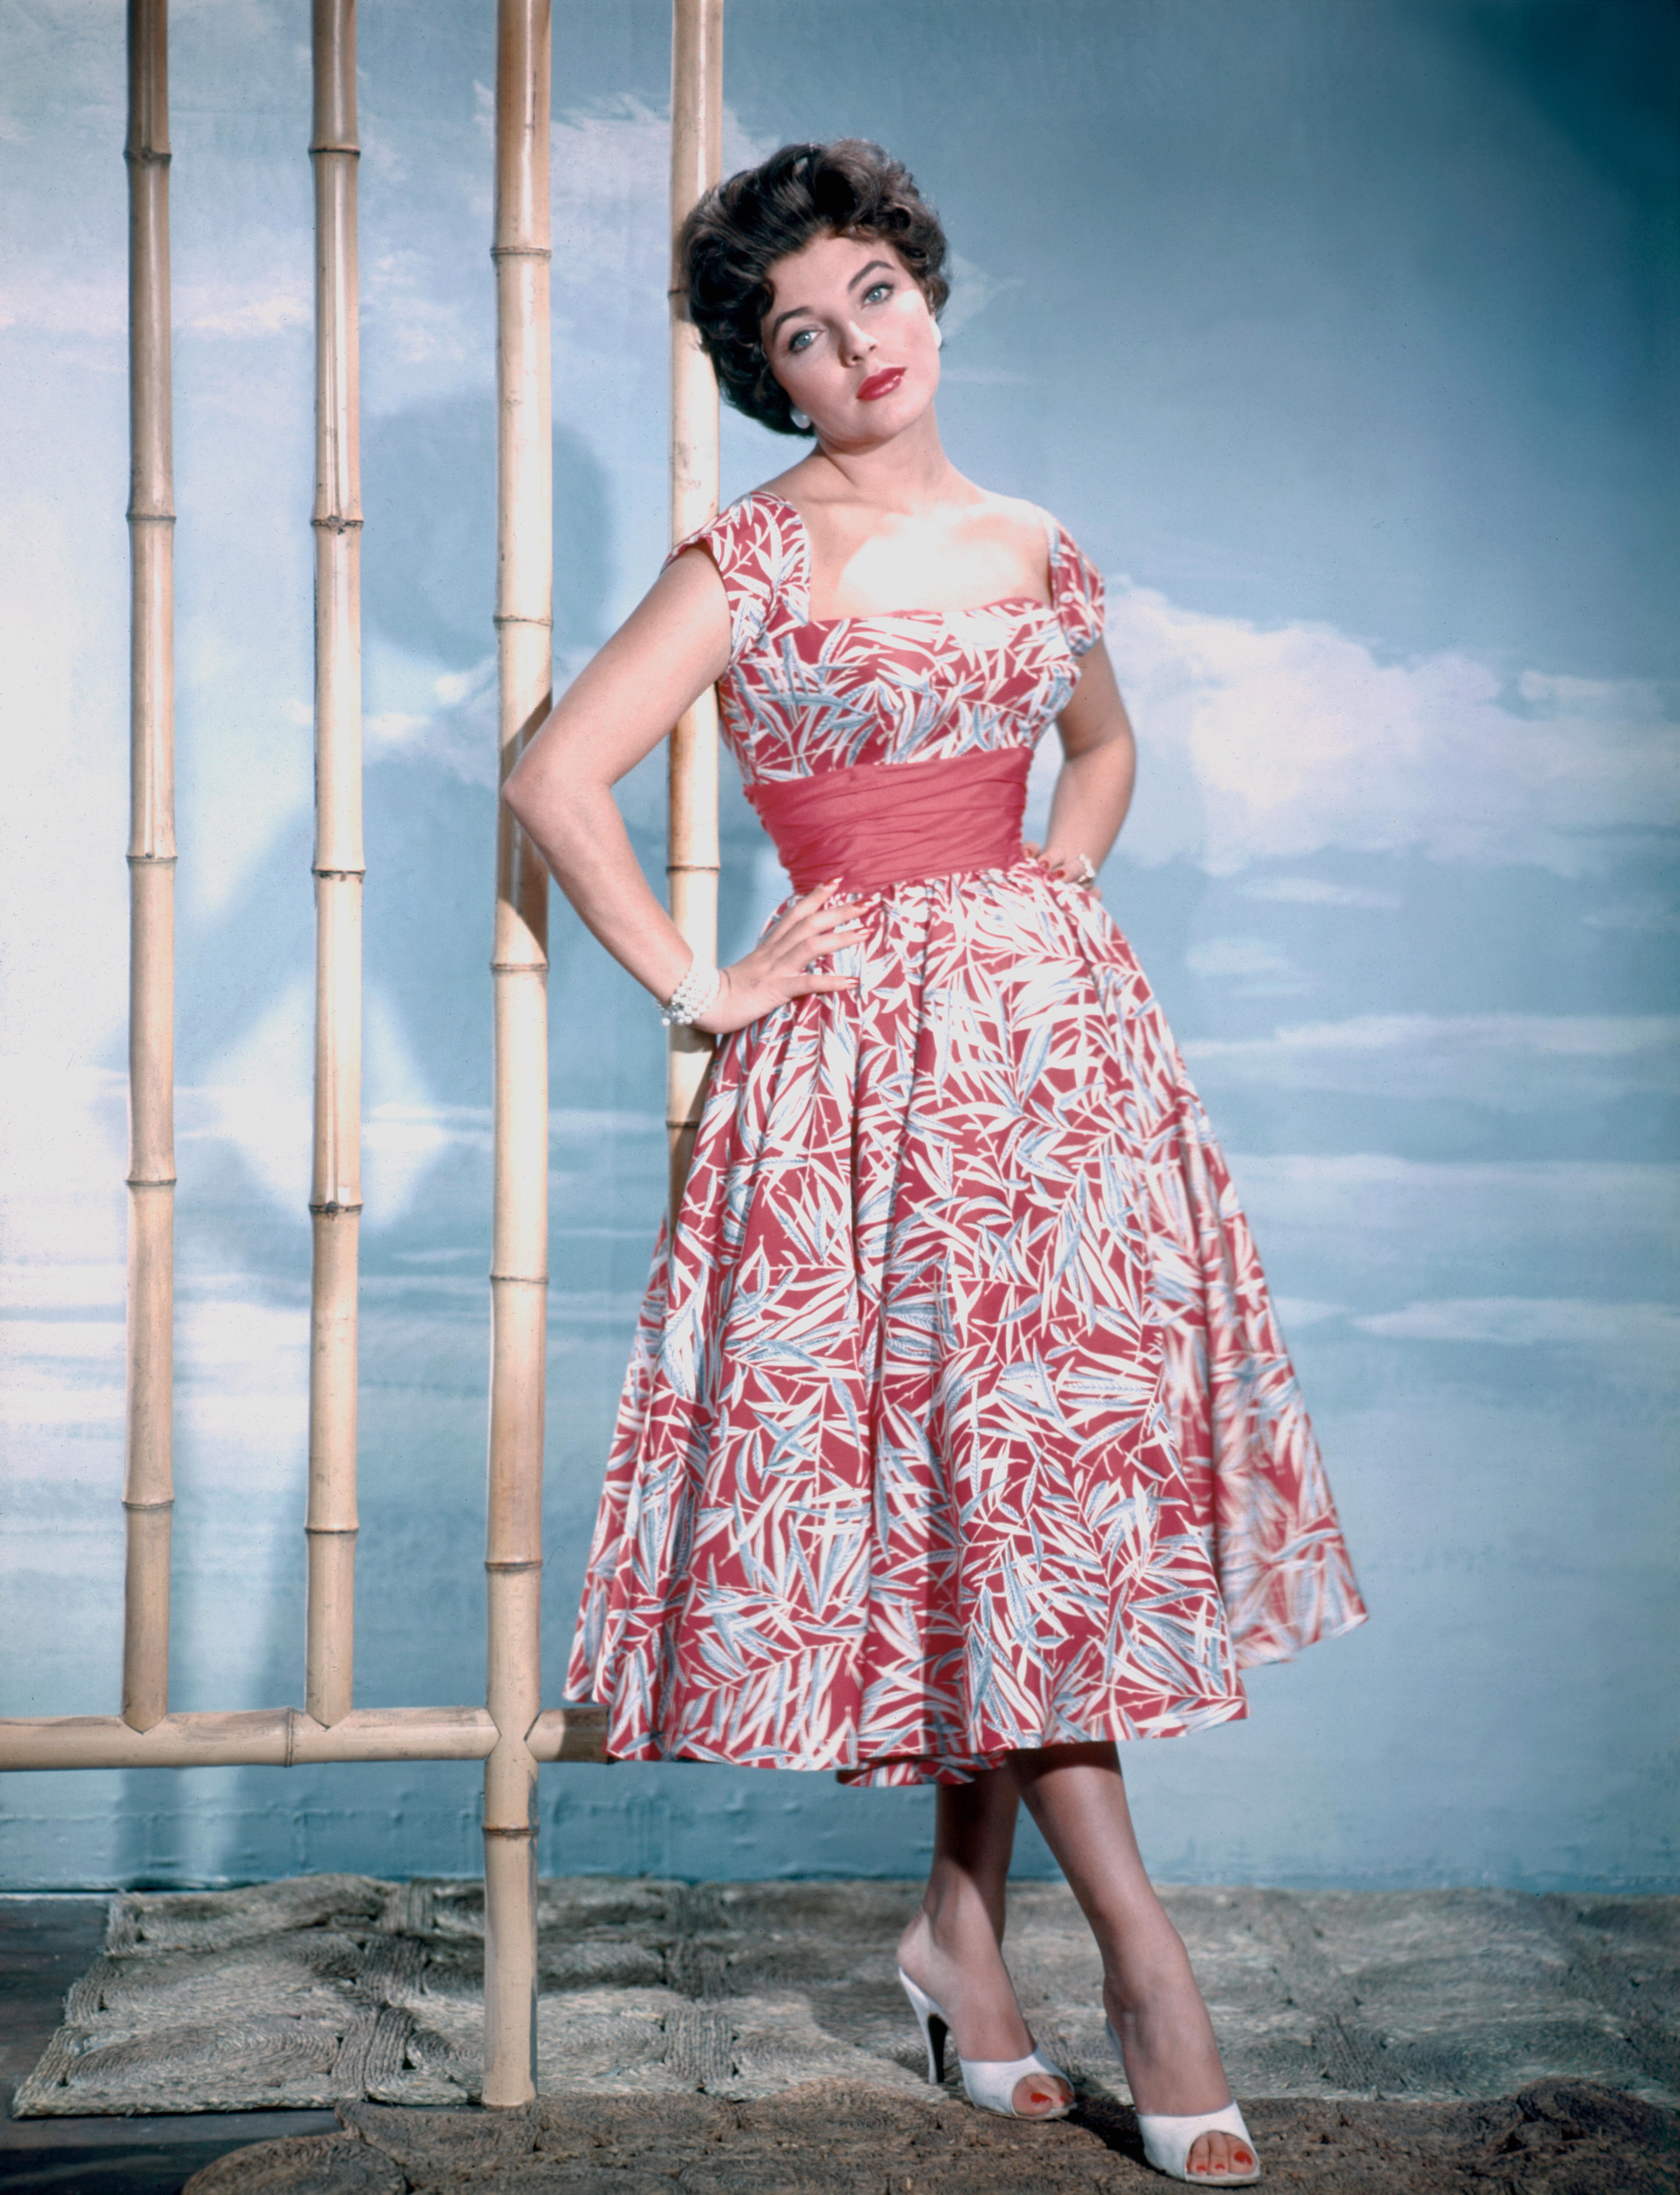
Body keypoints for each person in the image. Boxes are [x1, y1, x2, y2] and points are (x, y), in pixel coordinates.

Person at [505, 139, 1366, 2187]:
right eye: (800, 330)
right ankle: (1148, 1966)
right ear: (769, 377)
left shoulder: (1038, 540)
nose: (853, 342)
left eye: (873, 291)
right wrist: (707, 990)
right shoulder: (750, 563)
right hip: (861, 1083)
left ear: (930, 295)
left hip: (1060, 1063)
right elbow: (554, 771)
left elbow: (1102, 745)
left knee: (1028, 1493)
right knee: (984, 1494)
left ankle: (957, 1938)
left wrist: (1046, 908)